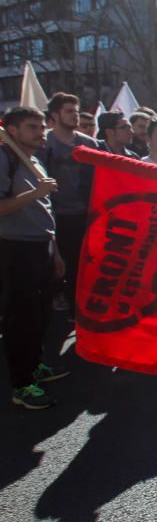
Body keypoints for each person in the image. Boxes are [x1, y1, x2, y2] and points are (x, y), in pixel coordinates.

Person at [0, 107, 67, 409]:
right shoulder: (5, 158)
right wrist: (36, 191)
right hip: (15, 248)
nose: (41, 132)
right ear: (11, 130)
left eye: (42, 126)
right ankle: (21, 383)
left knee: (41, 314)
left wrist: (56, 251)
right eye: (32, 127)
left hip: (43, 245)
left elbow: (45, 211)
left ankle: (34, 363)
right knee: (20, 317)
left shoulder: (35, 159)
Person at [40, 92, 100, 315]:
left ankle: (81, 308)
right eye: (69, 111)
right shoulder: (45, 143)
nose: (74, 116)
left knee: (84, 264)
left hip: (86, 213)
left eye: (76, 111)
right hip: (56, 215)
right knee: (60, 264)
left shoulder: (89, 143)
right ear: (55, 115)